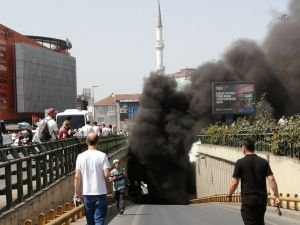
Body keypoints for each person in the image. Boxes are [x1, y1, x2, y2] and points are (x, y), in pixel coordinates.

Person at [228, 139, 280, 225]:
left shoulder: (240, 163)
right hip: (261, 201)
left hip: (248, 201)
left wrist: (229, 195)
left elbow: (234, 182)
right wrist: (277, 196)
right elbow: (271, 179)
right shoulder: (264, 162)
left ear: (244, 148)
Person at [74, 132, 111, 225]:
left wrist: (76, 193)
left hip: (87, 194)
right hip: (100, 193)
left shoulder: (80, 156)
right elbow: (107, 174)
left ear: (86, 142)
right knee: (99, 221)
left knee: (90, 222)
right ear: (98, 142)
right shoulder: (102, 156)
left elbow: (77, 176)